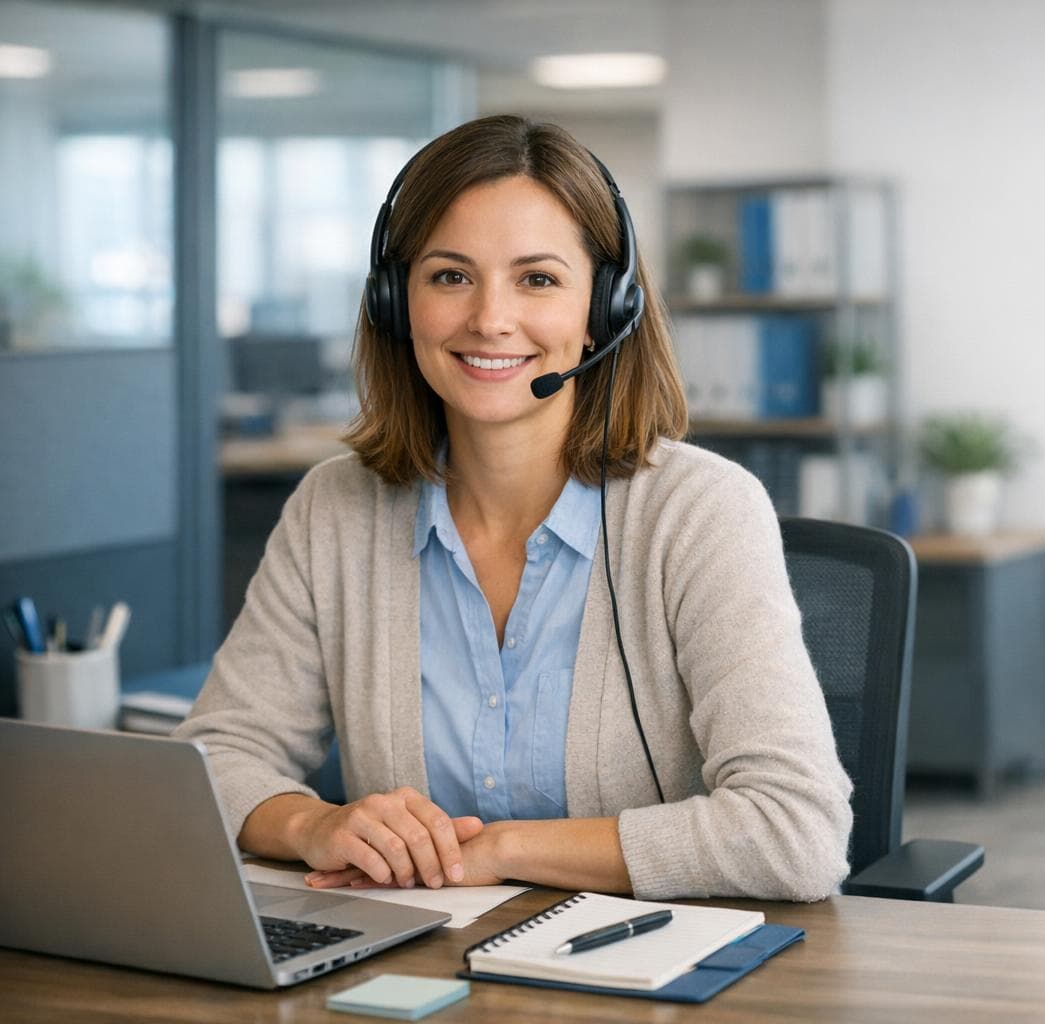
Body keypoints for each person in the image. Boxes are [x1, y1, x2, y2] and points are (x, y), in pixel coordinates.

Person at [175, 115, 852, 902]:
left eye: (537, 279)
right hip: (412, 955)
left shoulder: (698, 512)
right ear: (396, 302)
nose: (490, 319)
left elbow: (795, 832)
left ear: (606, 308)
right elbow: (215, 757)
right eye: (450, 276)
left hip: (645, 960)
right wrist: (313, 825)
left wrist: (501, 850)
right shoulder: (337, 509)